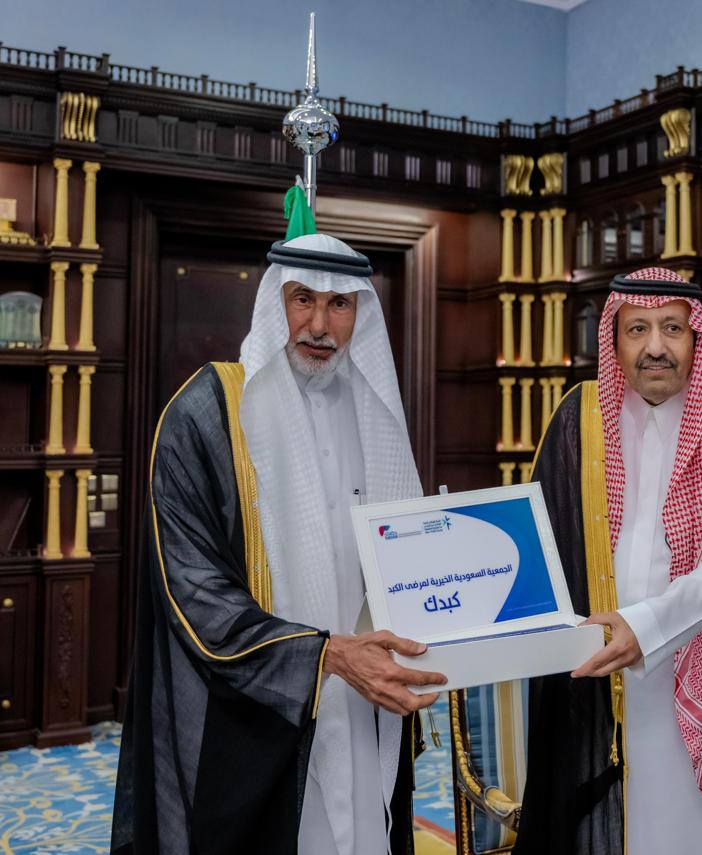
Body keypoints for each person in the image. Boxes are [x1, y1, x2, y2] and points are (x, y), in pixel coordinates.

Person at [111, 195, 445, 855]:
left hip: (368, 703)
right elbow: (193, 590)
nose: (319, 324)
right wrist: (322, 656)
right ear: (275, 302)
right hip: (254, 711)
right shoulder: (206, 414)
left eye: (339, 304)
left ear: (360, 312)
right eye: (302, 299)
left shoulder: (373, 413)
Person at [513, 267, 702, 855]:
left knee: (690, 829)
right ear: (614, 340)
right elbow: (541, 541)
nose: (656, 346)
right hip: (594, 675)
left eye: (672, 328)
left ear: (696, 338)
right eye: (638, 329)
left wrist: (646, 627)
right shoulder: (580, 417)